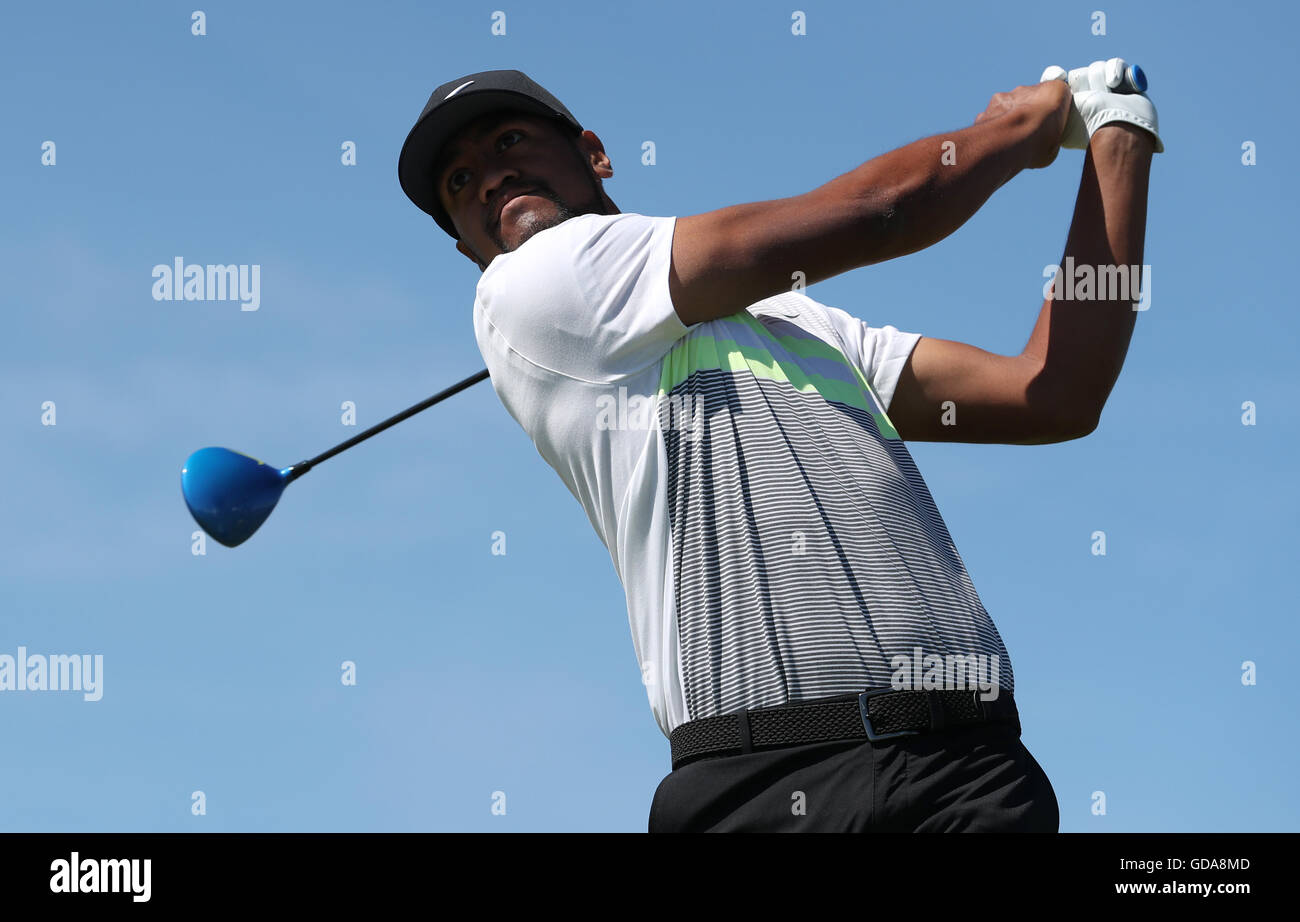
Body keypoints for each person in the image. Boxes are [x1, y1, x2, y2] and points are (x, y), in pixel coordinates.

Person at [398, 67, 1159, 832]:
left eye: (510, 140)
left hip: (964, 768)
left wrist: (1117, 138)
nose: (492, 176)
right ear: (467, 249)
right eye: (461, 181)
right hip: (756, 787)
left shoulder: (799, 322)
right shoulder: (528, 285)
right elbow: (882, 211)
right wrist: (1019, 126)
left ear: (595, 154)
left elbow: (1055, 391)